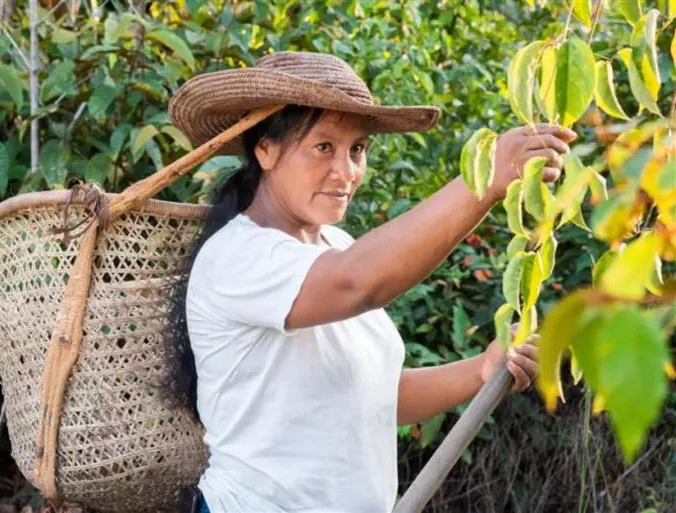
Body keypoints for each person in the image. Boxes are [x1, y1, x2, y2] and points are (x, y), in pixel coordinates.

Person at [166, 51, 576, 513]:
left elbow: (373, 396)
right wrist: (486, 180)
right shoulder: (237, 256)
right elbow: (358, 282)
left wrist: (478, 371)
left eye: (356, 149)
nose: (346, 172)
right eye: (323, 147)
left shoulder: (335, 245)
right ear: (266, 149)